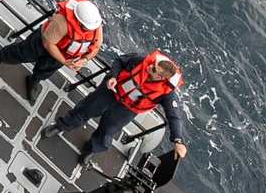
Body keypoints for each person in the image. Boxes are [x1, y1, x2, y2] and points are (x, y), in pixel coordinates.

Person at [42, 49, 188, 169]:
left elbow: (174, 116)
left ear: (161, 78)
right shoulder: (141, 59)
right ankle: (62, 125)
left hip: (127, 108)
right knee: (85, 109)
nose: (150, 66)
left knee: (108, 129)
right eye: (154, 64)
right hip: (112, 90)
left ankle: (93, 148)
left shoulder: (167, 94)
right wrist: (113, 76)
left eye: (154, 69)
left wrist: (178, 140)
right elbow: (119, 61)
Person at [0, 0, 103, 103]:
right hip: (41, 45)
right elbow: (48, 43)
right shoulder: (61, 23)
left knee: (46, 70)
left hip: (64, 54)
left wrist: (84, 59)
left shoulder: (94, 24)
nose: (91, 29)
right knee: (21, 54)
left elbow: (96, 47)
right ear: (79, 21)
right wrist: (65, 61)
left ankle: (34, 80)